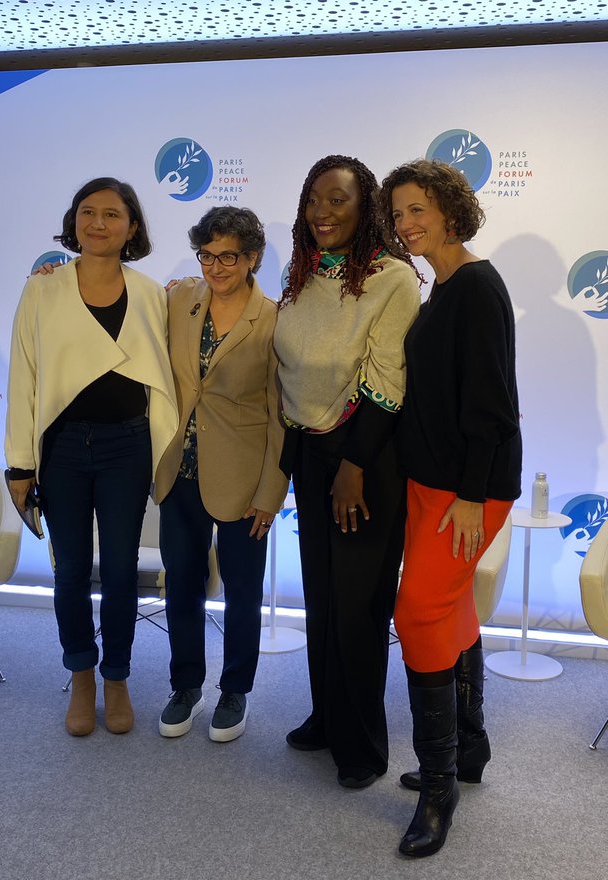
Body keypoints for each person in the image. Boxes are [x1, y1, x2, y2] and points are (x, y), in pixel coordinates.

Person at [379, 159, 521, 857]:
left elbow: (492, 403)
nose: (406, 224)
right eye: (398, 214)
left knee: (419, 611)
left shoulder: (476, 286)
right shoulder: (441, 287)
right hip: (430, 481)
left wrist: (470, 493)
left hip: (467, 488)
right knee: (453, 606)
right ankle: (468, 749)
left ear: (449, 208)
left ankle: (439, 788)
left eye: (417, 210)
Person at [5, 177, 177, 737]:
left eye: (111, 214)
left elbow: (162, 378)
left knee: (123, 569)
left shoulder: (151, 294)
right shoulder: (42, 289)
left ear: (132, 227)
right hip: (61, 449)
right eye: (87, 212)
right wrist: (18, 464)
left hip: (127, 445)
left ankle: (118, 676)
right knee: (72, 571)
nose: (97, 224)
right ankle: (81, 675)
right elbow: (24, 377)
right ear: (73, 220)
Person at [273, 155, 421, 788]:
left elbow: (390, 377)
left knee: (359, 606)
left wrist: (354, 464)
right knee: (323, 597)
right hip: (312, 452)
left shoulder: (393, 278)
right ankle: (327, 716)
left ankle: (363, 745)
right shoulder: (299, 273)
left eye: (337, 200)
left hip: (366, 458)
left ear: (367, 210)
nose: (322, 213)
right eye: (313, 201)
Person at [153, 207, 287, 742]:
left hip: (245, 478)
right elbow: (118, 298)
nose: (215, 266)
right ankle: (185, 685)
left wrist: (272, 493)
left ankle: (235, 691)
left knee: (242, 592)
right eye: (206, 255)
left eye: (227, 255)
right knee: (181, 587)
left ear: (252, 258)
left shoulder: (275, 318)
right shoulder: (179, 298)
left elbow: (282, 412)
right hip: (178, 473)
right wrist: (54, 275)